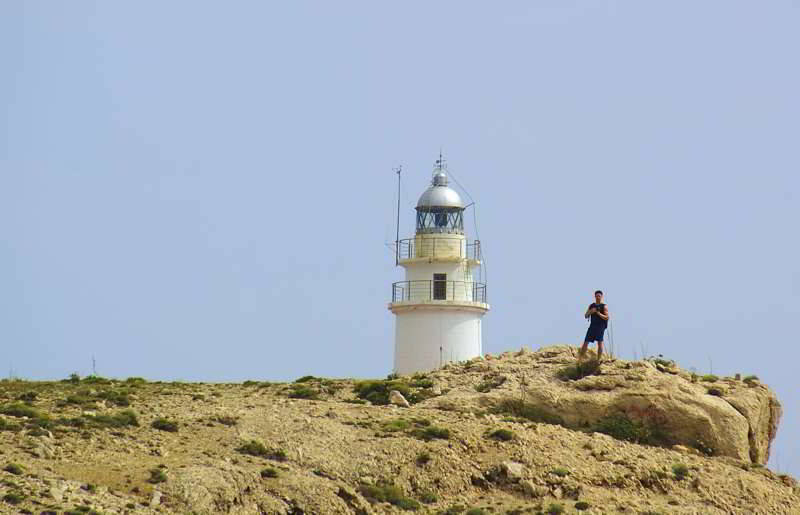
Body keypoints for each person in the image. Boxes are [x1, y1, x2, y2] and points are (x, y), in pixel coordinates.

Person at [578, 290, 610, 361]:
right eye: (597, 296)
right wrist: (590, 311)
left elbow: (607, 317)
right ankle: (580, 359)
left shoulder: (604, 306)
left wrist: (598, 313)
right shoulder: (592, 305)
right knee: (586, 342)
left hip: (600, 326)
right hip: (592, 326)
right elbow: (586, 316)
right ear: (595, 296)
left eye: (599, 296)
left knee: (600, 342)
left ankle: (598, 359)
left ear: (601, 297)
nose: (598, 297)